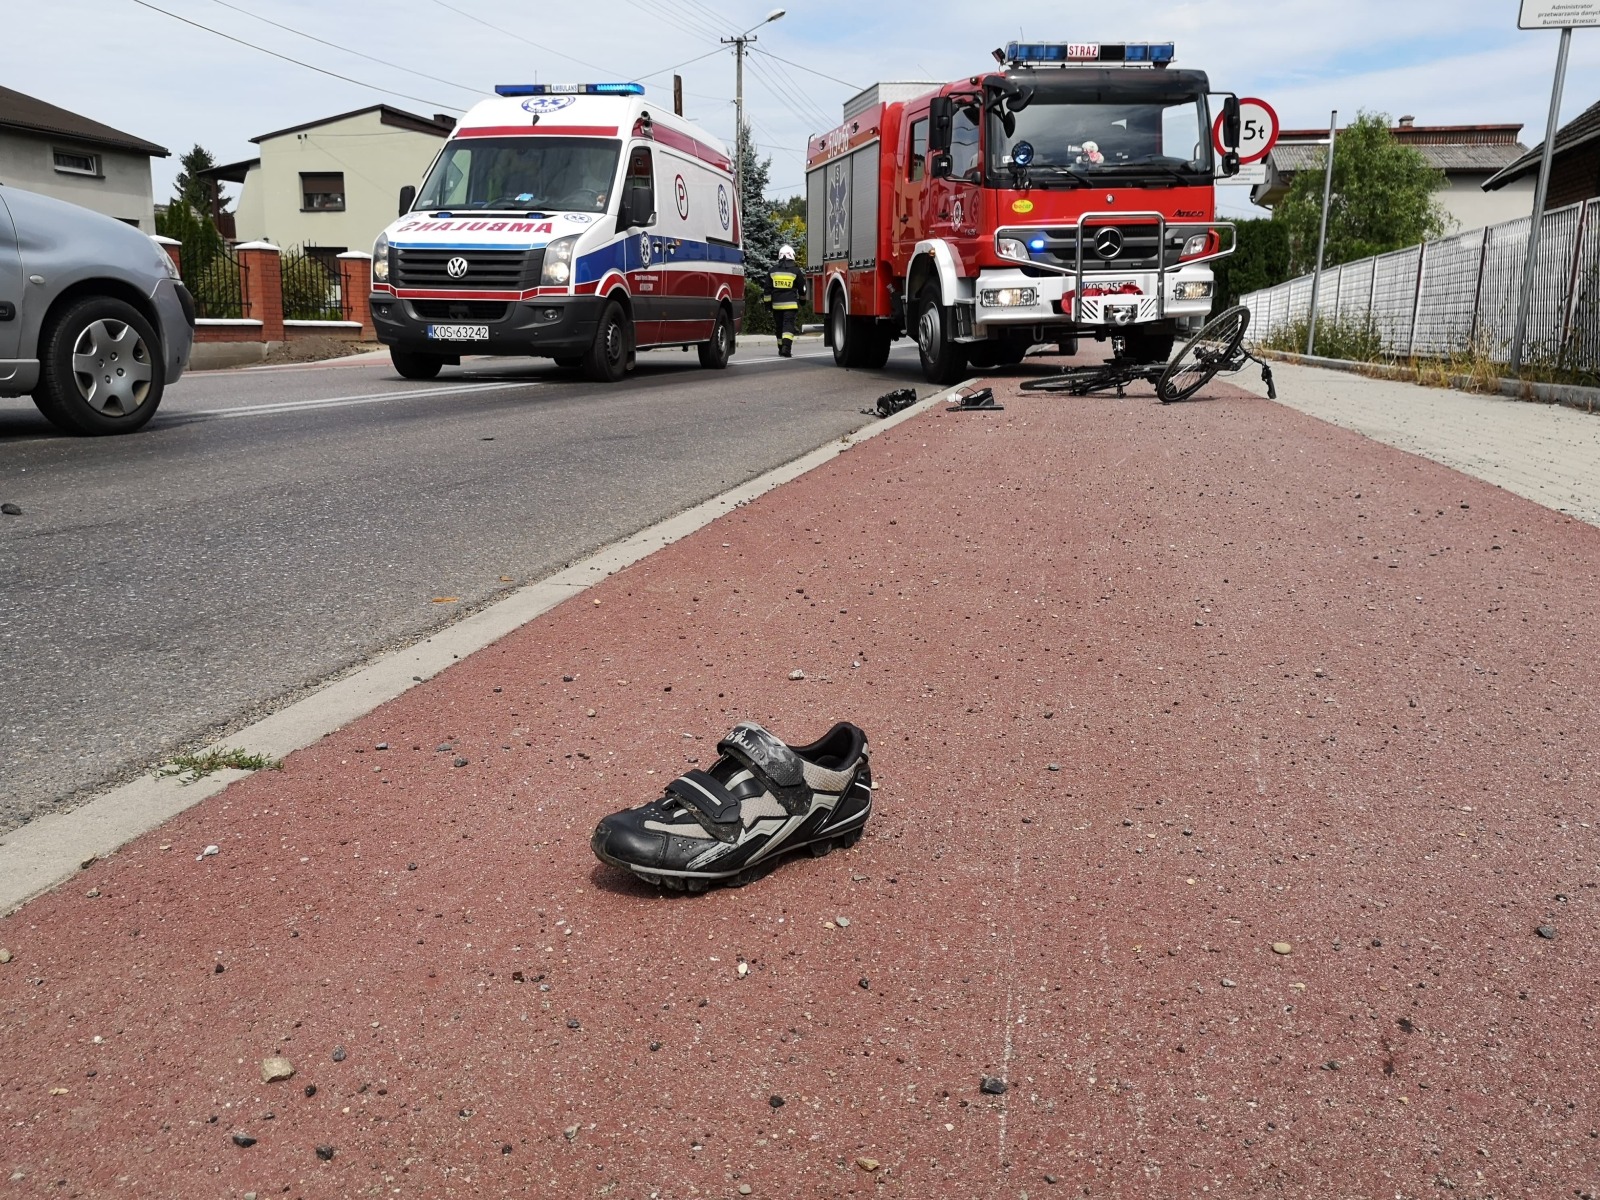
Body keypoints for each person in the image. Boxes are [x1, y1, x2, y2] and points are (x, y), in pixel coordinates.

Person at [761, 245, 806, 357]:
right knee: (788, 326)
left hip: (776, 306)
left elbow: (767, 290)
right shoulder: (796, 271)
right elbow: (802, 289)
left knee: (779, 327)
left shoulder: (772, 271)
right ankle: (786, 348)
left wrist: (768, 306)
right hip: (790, 306)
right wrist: (803, 301)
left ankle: (781, 348)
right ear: (792, 256)